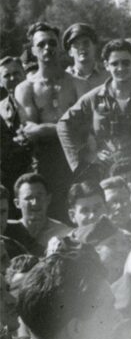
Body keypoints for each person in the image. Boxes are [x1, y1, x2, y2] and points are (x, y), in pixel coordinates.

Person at [57, 39, 131, 178]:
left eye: (126, 62)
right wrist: (87, 155)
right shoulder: (94, 97)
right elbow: (64, 124)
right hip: (110, 173)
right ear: (106, 65)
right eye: (115, 64)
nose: (120, 68)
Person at [13, 22, 84, 216]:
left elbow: (85, 126)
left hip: (76, 158)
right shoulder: (25, 88)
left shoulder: (76, 83)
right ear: (33, 50)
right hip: (44, 161)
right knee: (47, 214)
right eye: (42, 44)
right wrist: (66, 127)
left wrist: (44, 129)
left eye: (52, 43)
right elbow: (30, 131)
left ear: (59, 47)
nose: (48, 48)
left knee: (79, 212)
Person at [5, 172, 72, 256]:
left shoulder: (63, 232)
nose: (35, 203)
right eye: (28, 198)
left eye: (39, 197)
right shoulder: (7, 231)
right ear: (17, 203)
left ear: (48, 199)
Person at [0, 56, 34, 198]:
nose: (12, 78)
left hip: (35, 169)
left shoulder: (36, 101)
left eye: (16, 73)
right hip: (8, 175)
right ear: (0, 82)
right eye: (7, 75)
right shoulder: (0, 107)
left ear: (24, 74)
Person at [62, 23, 105, 92]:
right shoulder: (65, 79)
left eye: (86, 43)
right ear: (70, 52)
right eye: (76, 44)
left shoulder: (108, 74)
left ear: (94, 46)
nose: (82, 47)